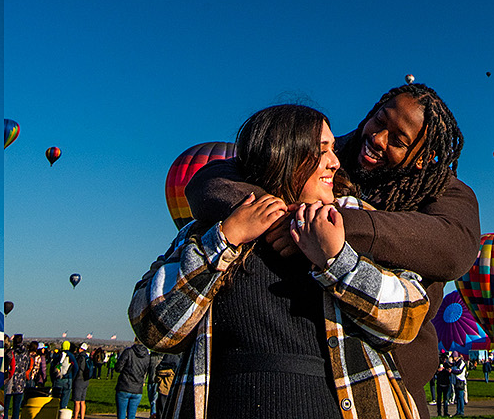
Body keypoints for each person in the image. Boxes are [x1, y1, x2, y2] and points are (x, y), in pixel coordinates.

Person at [185, 82, 480, 417]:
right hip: (300, 365)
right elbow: (210, 181)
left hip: (388, 380)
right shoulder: (327, 153)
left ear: (422, 159)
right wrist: (278, 216)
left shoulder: (443, 191)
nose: (378, 138)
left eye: (398, 141)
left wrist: (330, 226)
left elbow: (455, 246)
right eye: (379, 121)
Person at [131, 103, 430, 418]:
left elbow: (408, 318)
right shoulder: (208, 229)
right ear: (284, 155)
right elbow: (153, 328)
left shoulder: (356, 220)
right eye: (322, 151)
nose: (335, 162)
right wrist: (226, 238)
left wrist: (337, 260)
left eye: (334, 150)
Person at [114, 342, 151, 419]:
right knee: (132, 415)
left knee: (121, 414)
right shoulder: (147, 356)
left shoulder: (129, 352)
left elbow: (118, 368)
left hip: (124, 386)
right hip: (137, 388)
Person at [2, 335, 28, 419]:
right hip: (20, 382)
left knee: (5, 407)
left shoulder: (11, 352)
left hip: (10, 381)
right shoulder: (25, 353)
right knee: (16, 408)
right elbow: (27, 366)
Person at [71, 343, 91, 419]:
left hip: (79, 379)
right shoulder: (87, 357)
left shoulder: (80, 357)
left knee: (77, 401)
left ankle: (75, 417)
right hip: (86, 380)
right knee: (83, 401)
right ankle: (82, 417)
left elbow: (78, 369)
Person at [452, 352, 468, 416]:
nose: (453, 358)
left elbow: (459, 371)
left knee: (461, 397)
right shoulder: (455, 363)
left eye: (454, 357)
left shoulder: (461, 363)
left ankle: (462, 411)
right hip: (456, 381)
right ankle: (458, 411)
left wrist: (452, 371)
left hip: (461, 381)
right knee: (458, 397)